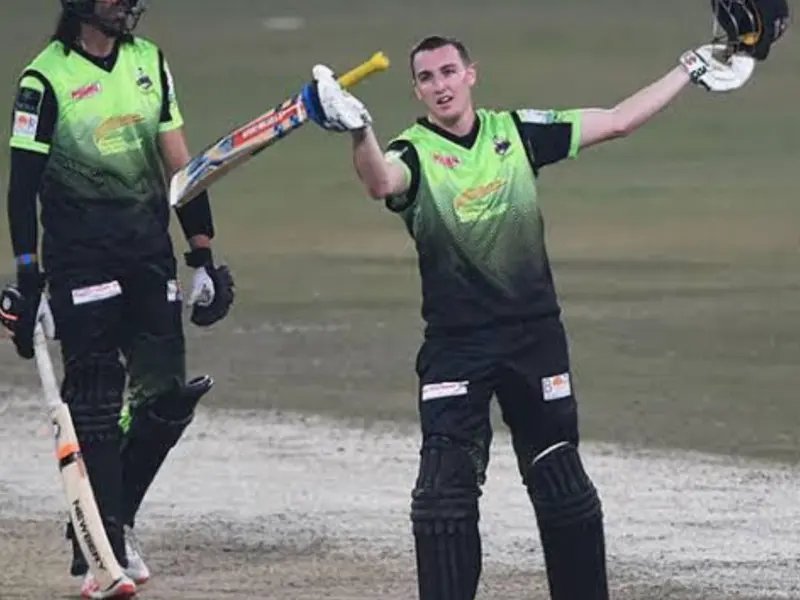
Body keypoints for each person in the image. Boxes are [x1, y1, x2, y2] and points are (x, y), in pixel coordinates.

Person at [304, 1, 788, 598]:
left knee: (561, 482)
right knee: (443, 495)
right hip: (457, 346)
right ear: (417, 90)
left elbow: (617, 121)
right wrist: (360, 129)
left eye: (449, 71)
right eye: (427, 78)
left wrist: (690, 67)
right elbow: (380, 181)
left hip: (533, 338)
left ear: (470, 74)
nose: (440, 85)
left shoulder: (516, 132)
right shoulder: (413, 151)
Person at [1, 1, 235, 598]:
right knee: (97, 401)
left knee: (166, 398)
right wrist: (29, 275)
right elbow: (22, 187)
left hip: (148, 255)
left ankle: (107, 524)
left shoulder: (150, 62)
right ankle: (103, 547)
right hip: (80, 261)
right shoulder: (44, 79)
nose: (125, 3)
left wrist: (202, 252)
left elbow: (182, 167)